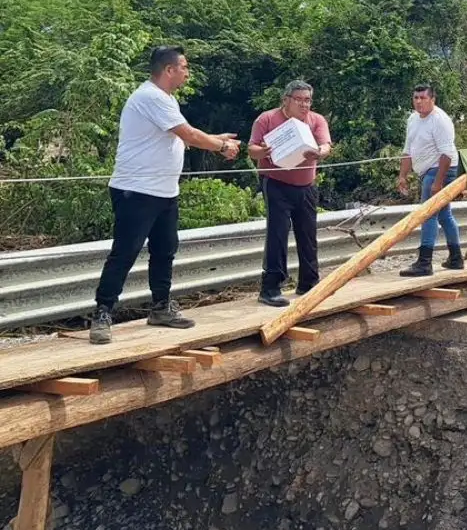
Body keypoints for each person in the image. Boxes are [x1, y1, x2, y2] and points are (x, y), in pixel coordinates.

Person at [90, 46, 241, 345]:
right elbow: (189, 136)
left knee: (165, 250)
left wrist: (215, 139)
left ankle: (160, 307)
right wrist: (220, 147)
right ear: (169, 70)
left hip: (164, 190)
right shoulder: (150, 96)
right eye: (184, 66)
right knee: (125, 252)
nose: (187, 72)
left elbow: (186, 130)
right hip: (137, 190)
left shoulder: (166, 99)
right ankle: (102, 312)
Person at [247, 81, 332, 306]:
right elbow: (252, 148)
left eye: (308, 100)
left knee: (308, 233)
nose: (304, 105)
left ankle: (309, 282)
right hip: (276, 183)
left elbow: (326, 145)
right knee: (278, 233)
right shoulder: (266, 119)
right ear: (286, 100)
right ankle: (271, 287)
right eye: (299, 99)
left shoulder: (316, 120)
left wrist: (319, 153)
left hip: (306, 184)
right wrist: (263, 151)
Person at [395, 84, 462, 276]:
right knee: (443, 214)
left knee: (428, 213)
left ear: (433, 99)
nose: (418, 102)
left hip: (442, 169)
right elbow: (408, 150)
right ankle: (456, 258)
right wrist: (402, 176)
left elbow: (447, 154)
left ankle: (425, 262)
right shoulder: (412, 119)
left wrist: (437, 183)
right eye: (416, 98)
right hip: (426, 169)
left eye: (423, 98)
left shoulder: (440, 120)